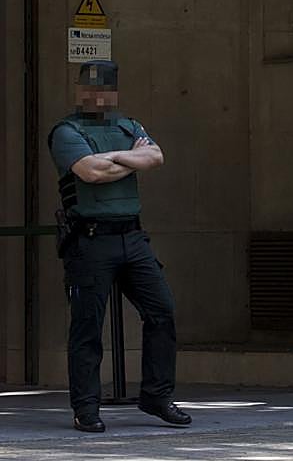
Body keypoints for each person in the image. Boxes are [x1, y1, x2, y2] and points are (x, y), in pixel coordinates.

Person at [48, 60, 191, 434]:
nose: (97, 96)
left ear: (113, 93)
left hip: (133, 238)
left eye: (104, 89)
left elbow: (156, 157)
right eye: (90, 89)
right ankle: (86, 408)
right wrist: (132, 160)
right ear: (79, 91)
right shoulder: (66, 131)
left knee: (162, 310)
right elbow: (90, 172)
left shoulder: (128, 124)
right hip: (89, 240)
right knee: (88, 328)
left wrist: (112, 160)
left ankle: (156, 397)